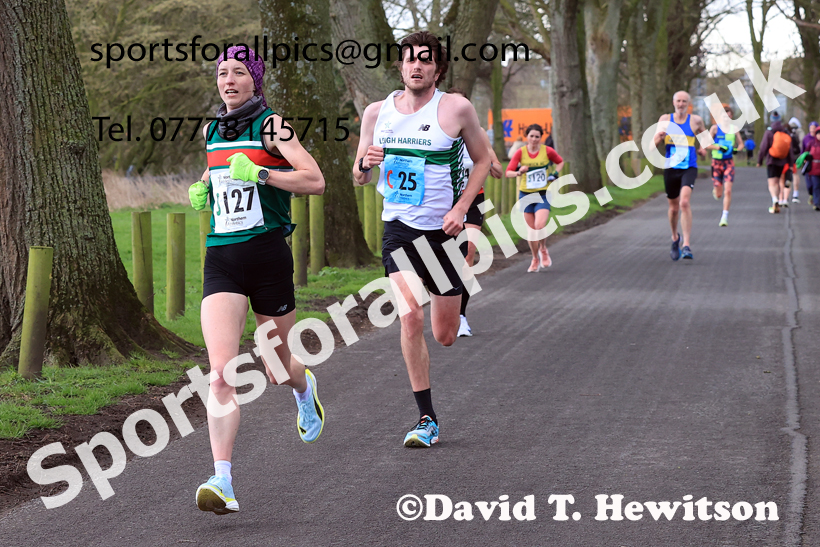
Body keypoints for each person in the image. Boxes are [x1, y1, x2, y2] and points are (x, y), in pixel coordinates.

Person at [187, 46, 326, 514]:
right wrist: (204, 186)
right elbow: (218, 167)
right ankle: (222, 480)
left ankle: (304, 390)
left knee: (275, 365)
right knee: (222, 373)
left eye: (239, 73)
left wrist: (264, 174)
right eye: (222, 72)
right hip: (222, 258)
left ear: (255, 81)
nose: (228, 80)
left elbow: (314, 179)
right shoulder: (211, 129)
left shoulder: (272, 125)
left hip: (267, 256)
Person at [353, 31, 490, 447]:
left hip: (444, 233)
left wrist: (461, 209)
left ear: (438, 68)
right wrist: (365, 163)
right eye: (410, 59)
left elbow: (483, 160)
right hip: (399, 230)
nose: (417, 66)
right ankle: (426, 419)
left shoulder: (456, 109)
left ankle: (447, 303)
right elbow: (359, 176)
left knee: (444, 334)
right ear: (400, 66)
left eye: (425, 60)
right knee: (408, 316)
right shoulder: (377, 113)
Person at [447, 87, 503, 338]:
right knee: (443, 258)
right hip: (444, 202)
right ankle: (443, 304)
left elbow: (494, 163)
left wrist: (494, 166)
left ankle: (460, 316)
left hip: (473, 200)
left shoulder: (478, 132)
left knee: (468, 253)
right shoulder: (442, 132)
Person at [652, 91, 707, 261]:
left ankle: (687, 245)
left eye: (684, 101)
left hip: (689, 167)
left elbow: (705, 141)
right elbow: (651, 146)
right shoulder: (665, 120)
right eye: (678, 101)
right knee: (674, 208)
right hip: (671, 168)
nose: (681, 104)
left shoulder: (696, 121)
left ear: (688, 103)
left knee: (684, 203)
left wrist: (703, 150)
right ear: (673, 102)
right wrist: (659, 138)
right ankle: (675, 238)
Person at [505, 124, 564, 272]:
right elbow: (508, 172)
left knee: (540, 225)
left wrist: (554, 175)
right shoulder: (520, 152)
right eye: (531, 136)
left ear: (541, 138)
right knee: (531, 231)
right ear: (527, 137)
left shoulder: (547, 151)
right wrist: (519, 171)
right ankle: (534, 258)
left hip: (542, 194)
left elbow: (560, 162)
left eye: (537, 136)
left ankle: (543, 249)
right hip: (526, 195)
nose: (534, 139)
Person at [709, 105, 744, 227]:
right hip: (716, 162)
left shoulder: (734, 129)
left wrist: (736, 150)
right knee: (719, 193)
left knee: (728, 190)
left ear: (731, 116)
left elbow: (741, 144)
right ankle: (716, 190)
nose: (726, 117)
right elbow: (706, 144)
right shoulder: (714, 128)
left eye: (728, 115)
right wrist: (718, 147)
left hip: (729, 162)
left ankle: (724, 216)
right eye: (724, 115)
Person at [757, 120, 795, 213]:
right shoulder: (785, 133)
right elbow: (790, 150)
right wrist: (791, 163)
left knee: (771, 183)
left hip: (771, 161)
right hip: (782, 162)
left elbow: (763, 147)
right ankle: (776, 204)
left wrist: (760, 161)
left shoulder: (769, 133)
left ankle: (774, 199)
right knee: (777, 182)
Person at [803, 129, 820, 211]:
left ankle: (817, 202)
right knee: (815, 186)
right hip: (813, 169)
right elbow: (805, 153)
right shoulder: (812, 143)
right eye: (818, 134)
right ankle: (816, 203)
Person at [788, 117, 803, 203]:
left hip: (787, 157)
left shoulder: (787, 131)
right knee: (795, 174)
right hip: (796, 156)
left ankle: (784, 197)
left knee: (785, 176)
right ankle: (795, 194)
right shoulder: (800, 131)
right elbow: (802, 144)